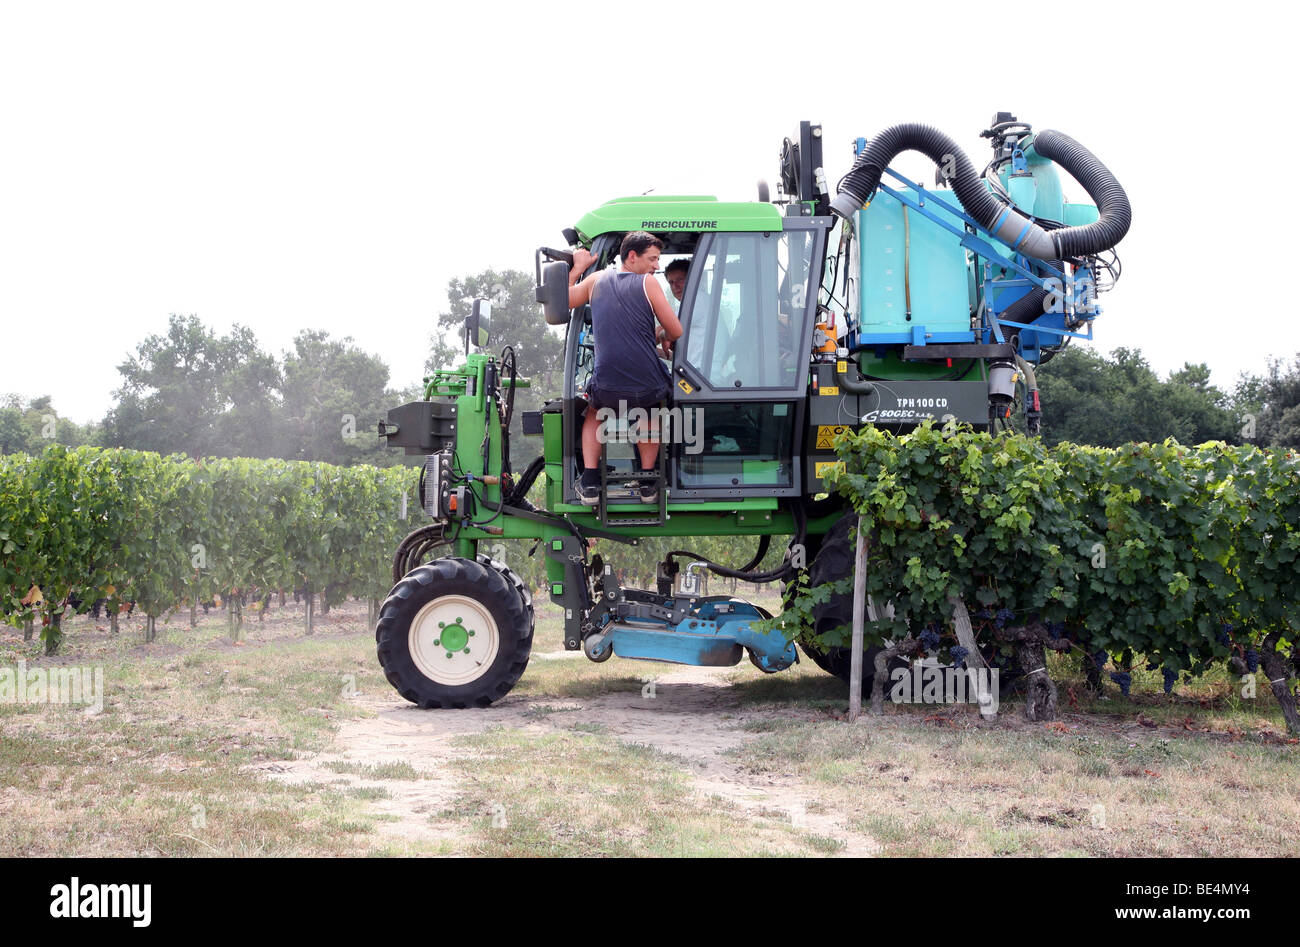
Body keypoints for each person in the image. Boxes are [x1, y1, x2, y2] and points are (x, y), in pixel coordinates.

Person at [568, 231, 682, 505]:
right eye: (653, 259)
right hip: (646, 384)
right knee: (651, 410)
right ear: (632, 256)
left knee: (594, 412)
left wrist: (577, 269)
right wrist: (663, 335)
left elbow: (565, 302)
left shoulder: (595, 281)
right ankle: (646, 482)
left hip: (607, 383)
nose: (656, 266)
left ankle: (592, 481)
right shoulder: (648, 283)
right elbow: (676, 330)